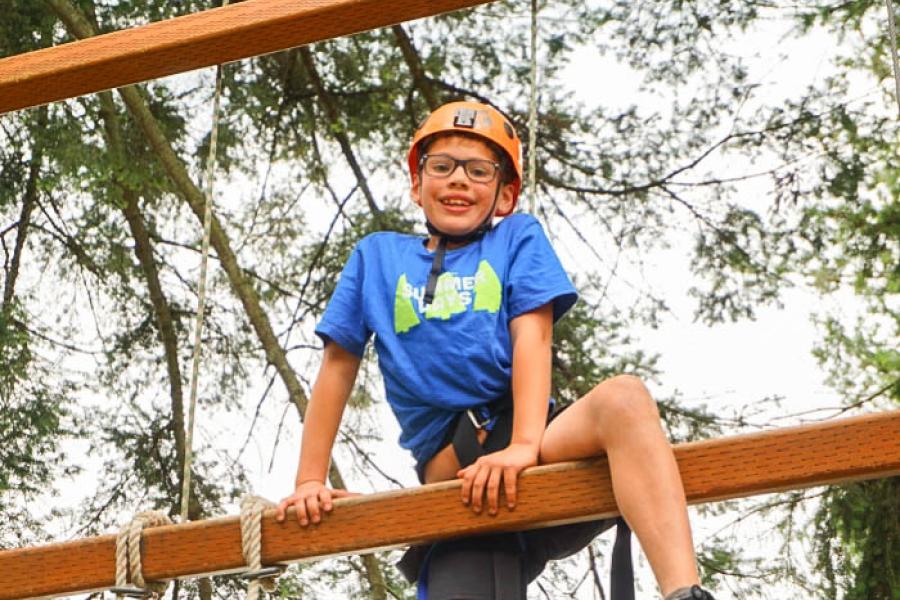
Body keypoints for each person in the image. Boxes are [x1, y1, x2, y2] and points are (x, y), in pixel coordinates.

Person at [275, 100, 716, 600]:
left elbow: (534, 336)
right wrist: (310, 478)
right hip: (455, 474)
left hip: (533, 447)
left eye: (478, 171)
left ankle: (685, 593)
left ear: (505, 195)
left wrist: (524, 446)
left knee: (626, 398)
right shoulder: (377, 257)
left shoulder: (516, 238)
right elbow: (337, 365)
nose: (458, 180)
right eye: (441, 166)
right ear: (417, 184)